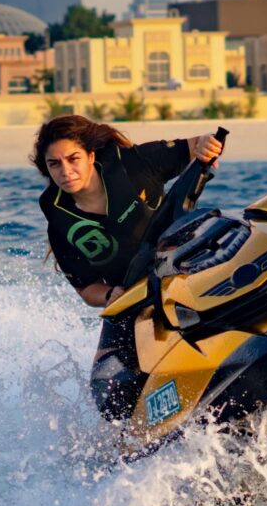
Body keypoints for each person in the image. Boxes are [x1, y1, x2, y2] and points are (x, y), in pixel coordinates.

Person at [33, 113, 223, 419]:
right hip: (134, 298)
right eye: (55, 164)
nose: (66, 171)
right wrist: (110, 296)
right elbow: (86, 288)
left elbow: (196, 144)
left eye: (73, 159)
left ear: (91, 155)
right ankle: (130, 452)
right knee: (105, 384)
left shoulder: (133, 164)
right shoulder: (59, 221)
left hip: (186, 273)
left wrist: (206, 146)